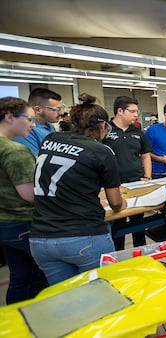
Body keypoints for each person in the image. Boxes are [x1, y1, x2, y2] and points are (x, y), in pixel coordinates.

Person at [29, 93, 126, 285]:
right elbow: (115, 202)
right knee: (101, 296)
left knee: (66, 300)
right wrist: (123, 204)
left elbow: (65, 179)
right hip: (83, 236)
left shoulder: (50, 138)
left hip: (41, 237)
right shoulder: (101, 151)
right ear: (101, 125)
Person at [0, 97, 47, 304]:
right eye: (29, 119)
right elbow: (30, 195)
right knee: (37, 278)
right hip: (23, 222)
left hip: (5, 222)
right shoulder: (15, 151)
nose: (32, 124)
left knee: (19, 277)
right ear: (9, 117)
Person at [103, 96, 151, 250]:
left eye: (137, 111)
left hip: (136, 183)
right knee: (118, 224)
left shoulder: (137, 132)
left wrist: (148, 177)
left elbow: (145, 156)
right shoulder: (105, 131)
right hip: (112, 186)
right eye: (133, 111)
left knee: (138, 223)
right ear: (120, 111)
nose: (136, 115)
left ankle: (141, 254)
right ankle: (118, 256)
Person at [13, 88, 63, 156]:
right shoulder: (27, 130)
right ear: (38, 109)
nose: (61, 113)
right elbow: (33, 160)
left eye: (61, 108)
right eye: (56, 109)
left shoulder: (50, 126)